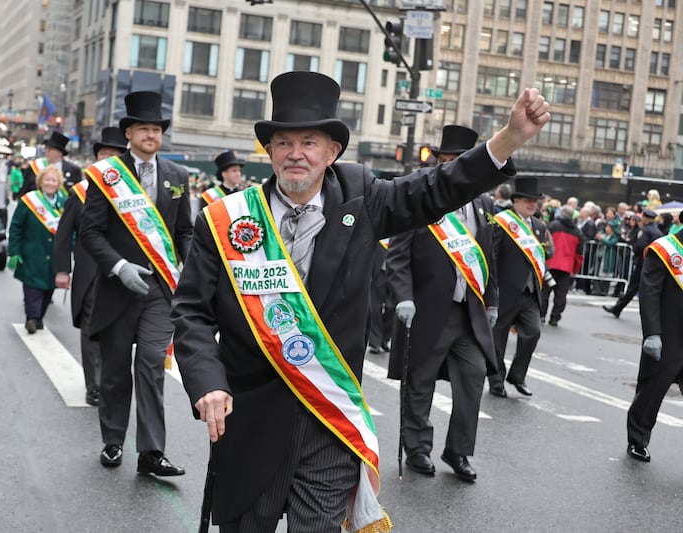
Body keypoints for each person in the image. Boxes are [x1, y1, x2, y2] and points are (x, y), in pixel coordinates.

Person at [170, 71, 550, 532]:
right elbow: (192, 312)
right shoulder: (224, 220)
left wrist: (508, 138)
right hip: (251, 420)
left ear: (332, 153)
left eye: (310, 142)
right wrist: (208, 383)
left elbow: (437, 188)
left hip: (329, 421)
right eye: (284, 142)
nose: (296, 154)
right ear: (268, 151)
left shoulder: (363, 197)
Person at [79, 91, 192, 476]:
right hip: (118, 287)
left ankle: (151, 451)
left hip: (160, 290)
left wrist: (192, 268)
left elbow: (184, 232)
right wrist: (119, 266)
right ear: (129, 133)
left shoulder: (178, 176)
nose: (151, 135)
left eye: (157, 129)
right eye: (144, 128)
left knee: (150, 364)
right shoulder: (109, 176)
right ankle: (113, 441)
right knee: (113, 370)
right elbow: (90, 232)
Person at [386, 125, 498, 482]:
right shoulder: (422, 198)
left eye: (458, 162)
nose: (449, 168)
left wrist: (492, 301)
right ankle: (418, 447)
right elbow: (398, 257)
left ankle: (459, 451)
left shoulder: (483, 204)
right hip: (427, 309)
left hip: (469, 312)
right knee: (419, 381)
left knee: (473, 379)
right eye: (445, 161)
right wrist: (403, 297)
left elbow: (487, 259)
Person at [54, 126, 128, 406]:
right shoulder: (81, 192)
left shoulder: (132, 195)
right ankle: (93, 385)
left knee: (117, 334)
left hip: (121, 274)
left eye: (114, 154)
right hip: (89, 274)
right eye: (103, 153)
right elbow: (64, 234)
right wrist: (63, 270)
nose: (108, 158)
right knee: (90, 330)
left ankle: (109, 381)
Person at [488, 177, 553, 397]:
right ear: (515, 200)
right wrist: (492, 291)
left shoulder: (538, 226)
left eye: (535, 200)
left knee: (533, 332)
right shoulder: (501, 222)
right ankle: (496, 381)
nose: (533, 204)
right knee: (498, 339)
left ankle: (517, 376)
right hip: (505, 291)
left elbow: (543, 256)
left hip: (530, 293)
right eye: (527, 200)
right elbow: (492, 258)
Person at [625, 227, 683, 462]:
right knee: (651, 391)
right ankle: (637, 439)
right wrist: (652, 333)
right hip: (668, 334)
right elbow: (649, 292)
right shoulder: (664, 249)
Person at [8, 165, 66, 334]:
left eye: (53, 180)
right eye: (47, 179)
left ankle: (38, 318)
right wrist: (14, 252)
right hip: (31, 254)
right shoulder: (29, 201)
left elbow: (70, 230)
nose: (50, 183)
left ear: (58, 184)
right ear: (41, 182)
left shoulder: (63, 203)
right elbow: (16, 227)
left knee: (48, 289)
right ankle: (31, 318)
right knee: (32, 289)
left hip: (54, 257)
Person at [603, 208, 663, 318]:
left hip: (643, 263)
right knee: (645, 289)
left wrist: (635, 248)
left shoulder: (645, 230)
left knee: (633, 287)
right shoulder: (657, 231)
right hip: (652, 263)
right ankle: (618, 308)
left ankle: (618, 308)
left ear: (646, 218)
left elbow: (640, 246)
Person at [541, 205, 583, 325]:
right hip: (566, 267)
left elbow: (545, 243)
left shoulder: (553, 226)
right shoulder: (577, 232)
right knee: (561, 294)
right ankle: (555, 317)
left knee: (545, 291)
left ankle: (542, 314)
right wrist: (575, 269)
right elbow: (579, 254)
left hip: (551, 263)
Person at [21, 131, 81, 198]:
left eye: (50, 149)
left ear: (60, 152)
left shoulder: (74, 170)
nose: (47, 152)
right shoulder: (35, 166)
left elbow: (77, 197)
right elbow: (25, 191)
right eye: (46, 149)